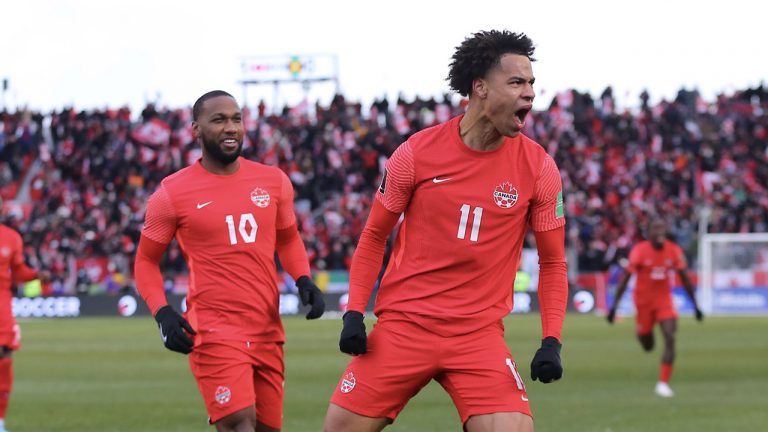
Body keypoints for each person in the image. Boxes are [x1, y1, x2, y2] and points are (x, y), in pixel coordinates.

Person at [323, 30, 568, 432]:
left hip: (478, 335)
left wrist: (551, 341)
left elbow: (553, 261)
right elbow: (372, 238)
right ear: (480, 88)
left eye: (531, 83)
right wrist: (353, 313)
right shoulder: (416, 153)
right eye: (516, 82)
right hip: (404, 326)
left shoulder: (540, 169)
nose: (529, 94)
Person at [133, 90, 325, 432]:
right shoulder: (171, 193)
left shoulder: (274, 181)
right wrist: (162, 314)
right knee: (239, 425)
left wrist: (303, 279)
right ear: (195, 129)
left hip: (267, 329)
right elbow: (146, 261)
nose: (231, 127)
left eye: (236, 119)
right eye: (219, 120)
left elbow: (288, 238)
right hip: (213, 330)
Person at [606, 218, 703, 398]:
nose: (660, 232)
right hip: (643, 303)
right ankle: (642, 332)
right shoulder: (639, 251)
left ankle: (663, 383)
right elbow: (625, 279)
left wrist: (696, 306)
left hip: (664, 301)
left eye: (662, 228)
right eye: (656, 229)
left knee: (670, 335)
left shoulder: (673, 250)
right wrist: (614, 308)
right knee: (647, 344)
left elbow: (685, 278)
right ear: (648, 232)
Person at [0, 198, 49, 432]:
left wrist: (36, 275)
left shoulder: (11, 237)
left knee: (4, 355)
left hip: (2, 304)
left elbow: (19, 272)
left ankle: (0, 421)